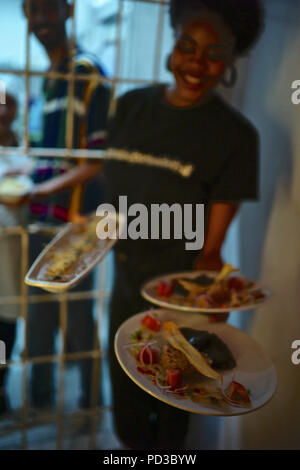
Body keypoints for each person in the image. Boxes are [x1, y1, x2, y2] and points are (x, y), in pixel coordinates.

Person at [102, 0, 264, 449]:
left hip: (177, 296)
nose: (197, 62)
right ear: (173, 44)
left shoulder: (235, 136)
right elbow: (109, 180)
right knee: (126, 410)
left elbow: (211, 249)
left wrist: (213, 286)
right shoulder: (131, 107)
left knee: (172, 413)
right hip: (121, 284)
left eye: (214, 53)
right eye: (187, 45)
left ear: (231, 59)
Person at [21, 0, 110, 411]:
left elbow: (97, 162)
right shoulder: (50, 76)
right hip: (39, 219)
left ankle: (91, 405)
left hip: (74, 226)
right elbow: (53, 154)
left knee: (77, 320)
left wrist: (38, 191)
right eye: (32, 10)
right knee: (38, 320)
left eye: (48, 8)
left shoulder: (86, 72)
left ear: (68, 10)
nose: (40, 19)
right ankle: (40, 404)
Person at [0, 86, 23, 415]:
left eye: (9, 105)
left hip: (13, 249)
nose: (3, 112)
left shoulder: (25, 146)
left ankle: (0, 387)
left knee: (5, 324)